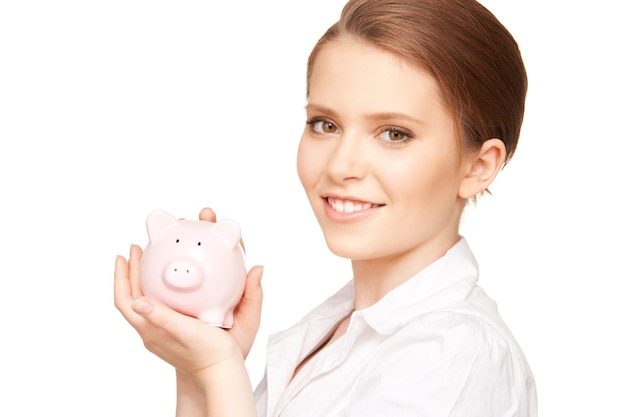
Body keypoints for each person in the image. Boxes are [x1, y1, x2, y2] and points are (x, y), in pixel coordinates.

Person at [114, 0, 537, 415]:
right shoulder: (337, 326)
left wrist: (219, 369)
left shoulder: (454, 353)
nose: (340, 165)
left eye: (393, 133)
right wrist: (199, 367)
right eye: (325, 125)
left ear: (478, 167)